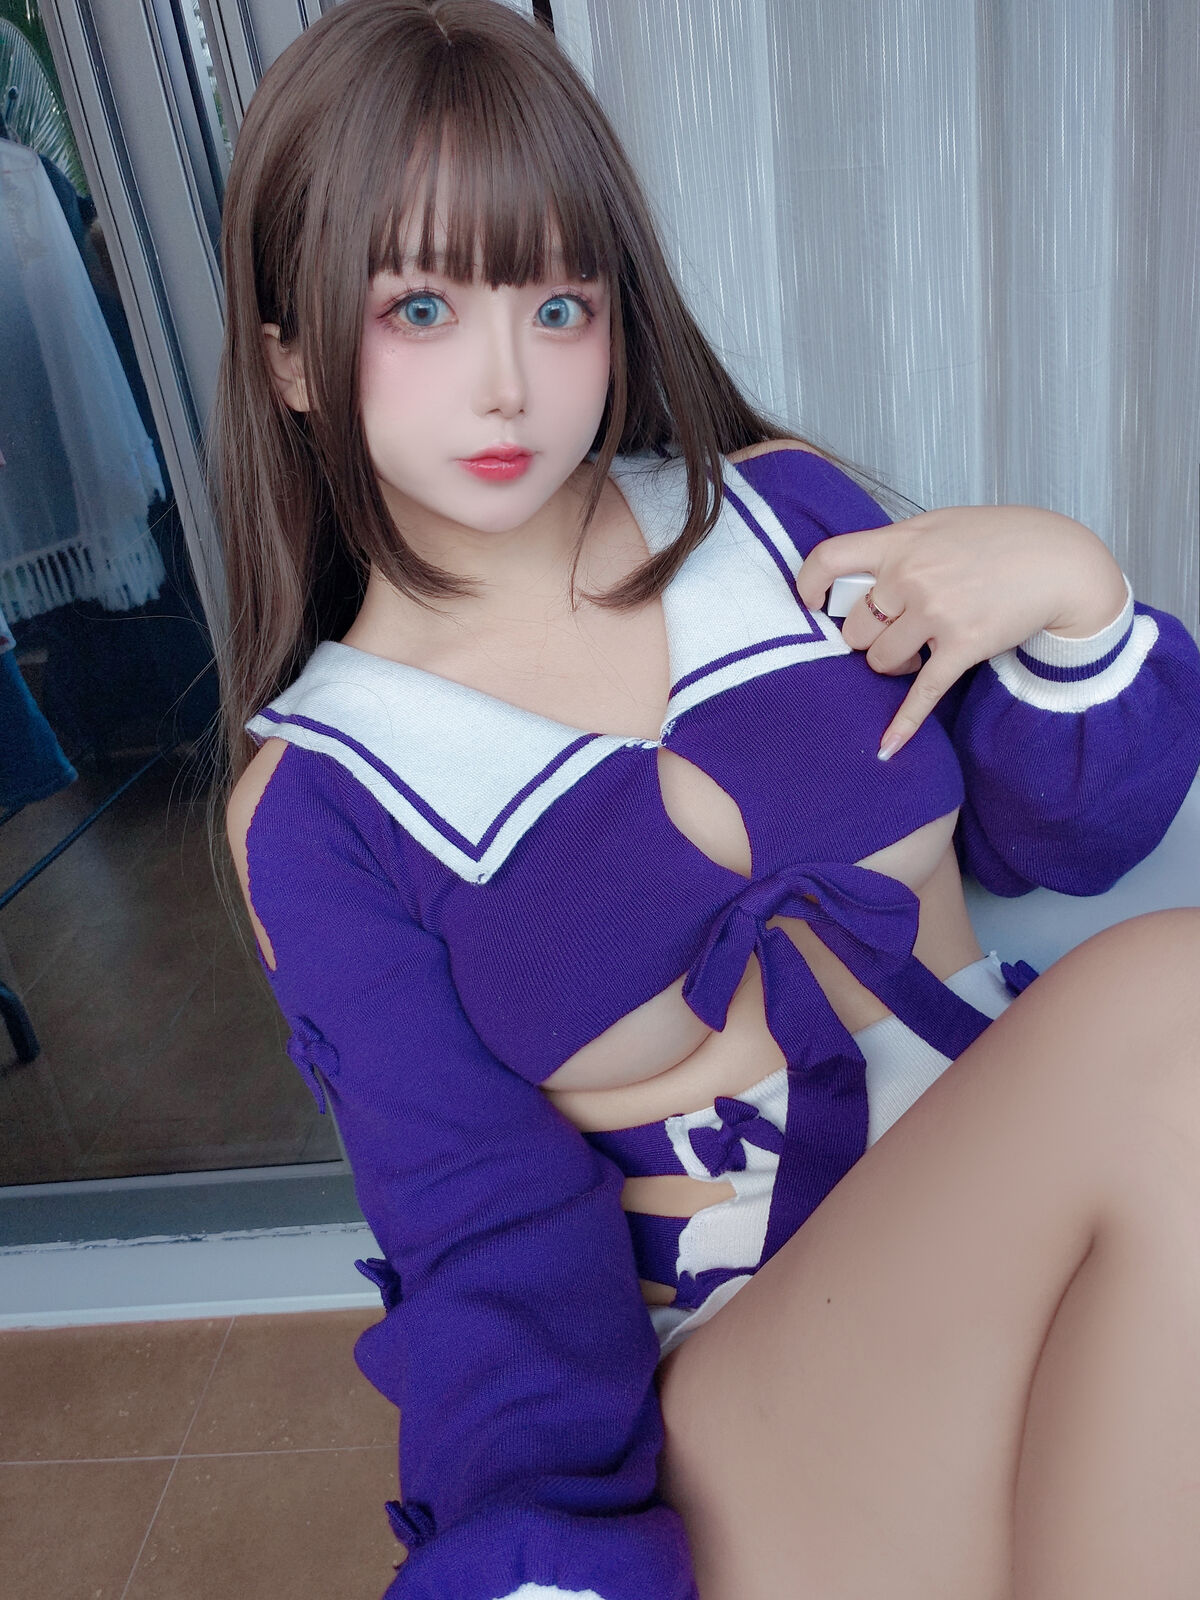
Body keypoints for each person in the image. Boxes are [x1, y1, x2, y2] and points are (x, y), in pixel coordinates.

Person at [215, 3, 1200, 1596]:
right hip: (765, 1400)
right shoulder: (324, 800)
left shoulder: (782, 518)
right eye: (420, 306)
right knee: (1175, 999)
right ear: (288, 359)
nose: (506, 386)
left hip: (1056, 1240)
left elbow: (1065, 838)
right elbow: (485, 1245)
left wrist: (1078, 597)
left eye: (557, 303)